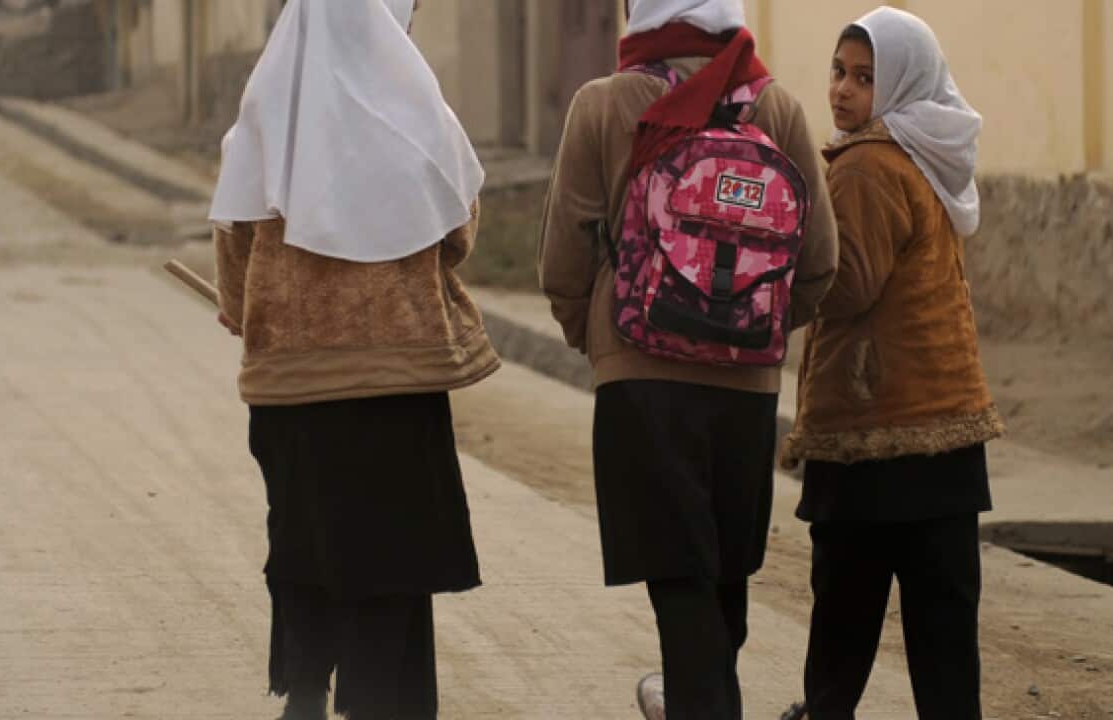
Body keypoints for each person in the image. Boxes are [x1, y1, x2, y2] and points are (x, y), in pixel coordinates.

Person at [538, 1, 839, 717]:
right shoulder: (778, 107)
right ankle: (699, 695)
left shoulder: (605, 105)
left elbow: (564, 258)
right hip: (747, 390)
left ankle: (699, 702)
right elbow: (822, 264)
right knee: (724, 575)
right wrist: (754, 333)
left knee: (678, 578)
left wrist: (603, 338)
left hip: (640, 381)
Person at [208, 1, 500, 717]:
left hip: (291, 384)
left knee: (304, 537)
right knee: (392, 550)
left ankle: (305, 688)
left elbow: (235, 252)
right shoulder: (418, 111)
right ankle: (380, 699)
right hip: (396, 383)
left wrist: (258, 312)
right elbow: (457, 230)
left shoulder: (266, 105)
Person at [779, 8, 1006, 719]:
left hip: (872, 432)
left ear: (902, 84)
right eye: (839, 73)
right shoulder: (924, 156)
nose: (843, 91)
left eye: (866, 78)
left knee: (844, 621)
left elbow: (847, 287)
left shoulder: (868, 166)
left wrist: (780, 257)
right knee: (944, 633)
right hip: (946, 430)